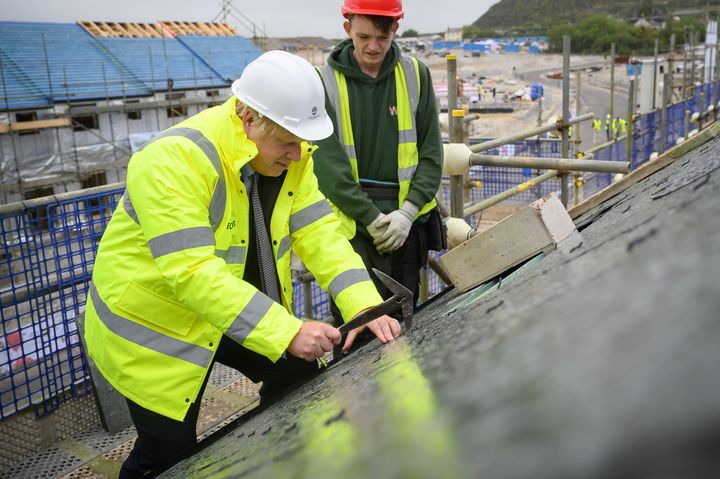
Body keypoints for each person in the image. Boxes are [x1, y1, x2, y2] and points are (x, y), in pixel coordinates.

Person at [83, 50, 401, 478]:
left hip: (225, 305)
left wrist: (364, 304)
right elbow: (192, 273)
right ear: (248, 119)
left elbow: (320, 233)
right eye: (288, 142)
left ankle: (287, 459)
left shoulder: (292, 156)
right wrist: (286, 329)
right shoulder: (172, 160)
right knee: (169, 453)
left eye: (301, 142)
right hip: (152, 327)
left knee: (298, 371)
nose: (297, 153)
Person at [314, 0, 445, 322]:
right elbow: (327, 166)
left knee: (403, 322)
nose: (373, 47)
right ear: (347, 28)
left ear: (395, 30)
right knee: (356, 324)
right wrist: (370, 218)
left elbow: (431, 152)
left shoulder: (415, 75)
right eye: (363, 37)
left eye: (382, 38)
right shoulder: (323, 82)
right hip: (353, 229)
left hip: (406, 226)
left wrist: (407, 212)